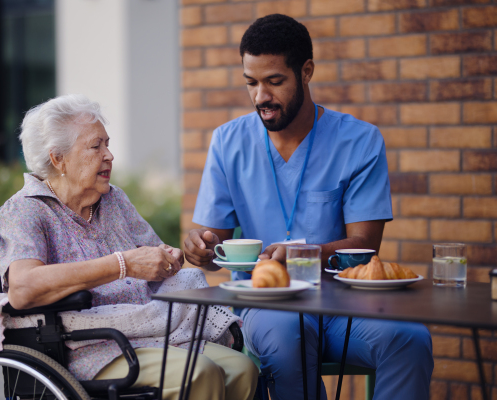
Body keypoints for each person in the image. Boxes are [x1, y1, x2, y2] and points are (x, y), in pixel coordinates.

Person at [184, 14, 434, 400]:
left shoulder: (360, 141)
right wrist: (199, 248)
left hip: (343, 308)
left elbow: (366, 245)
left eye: (274, 81)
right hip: (267, 306)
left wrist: (302, 255)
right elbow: (214, 242)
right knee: (286, 338)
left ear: (306, 71)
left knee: (410, 339)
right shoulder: (227, 142)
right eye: (251, 83)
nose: (260, 97)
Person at [0, 94, 257, 400]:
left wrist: (170, 256)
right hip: (85, 347)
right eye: (96, 146)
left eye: (107, 144)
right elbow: (23, 287)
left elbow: (155, 253)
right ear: (58, 159)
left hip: (146, 331)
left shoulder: (113, 199)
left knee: (242, 368)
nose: (109, 155)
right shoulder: (26, 210)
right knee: (199, 374)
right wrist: (123, 264)